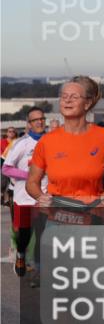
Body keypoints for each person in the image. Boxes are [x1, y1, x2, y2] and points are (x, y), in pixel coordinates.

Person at [26, 76, 104, 324]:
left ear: (89, 103)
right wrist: (40, 196)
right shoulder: (49, 141)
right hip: (58, 219)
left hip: (91, 220)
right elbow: (32, 181)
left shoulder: (103, 138)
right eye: (63, 95)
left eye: (74, 96)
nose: (66, 100)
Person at [2, 107, 47, 280]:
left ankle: (39, 268)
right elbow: (6, 168)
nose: (40, 122)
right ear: (29, 124)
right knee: (25, 233)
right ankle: (20, 254)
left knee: (43, 232)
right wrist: (28, 175)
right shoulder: (21, 144)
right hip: (25, 197)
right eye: (35, 120)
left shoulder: (51, 142)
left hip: (45, 196)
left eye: (42, 118)